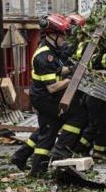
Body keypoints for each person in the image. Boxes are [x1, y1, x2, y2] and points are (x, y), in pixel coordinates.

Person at [9, 14, 76, 176]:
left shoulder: (51, 51)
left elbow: (57, 70)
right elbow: (53, 87)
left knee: (47, 128)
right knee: (51, 129)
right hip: (45, 98)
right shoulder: (44, 56)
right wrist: (73, 79)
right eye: (62, 36)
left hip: (44, 98)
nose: (64, 40)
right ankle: (37, 170)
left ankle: (21, 156)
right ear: (52, 35)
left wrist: (73, 69)